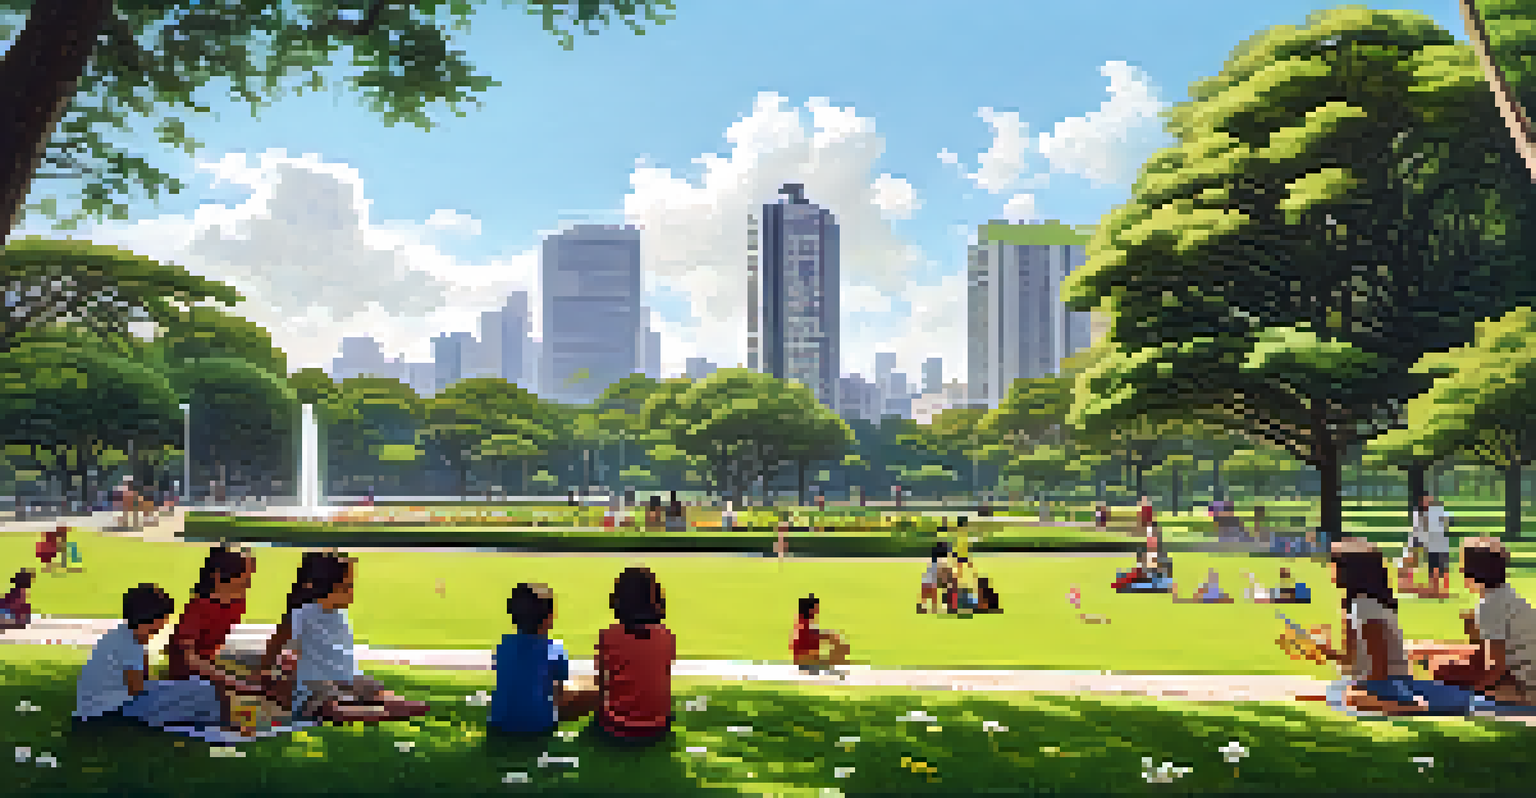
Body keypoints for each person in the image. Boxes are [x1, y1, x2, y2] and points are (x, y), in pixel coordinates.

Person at [1311, 538, 1480, 716]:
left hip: (1391, 684)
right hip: (1386, 682)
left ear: (1349, 570)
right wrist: (1327, 652)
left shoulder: (1365, 606)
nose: (1331, 570)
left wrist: (1360, 692)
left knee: (1345, 695)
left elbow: (1379, 669)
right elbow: (1356, 663)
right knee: (1337, 692)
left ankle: (1408, 705)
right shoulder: (1358, 605)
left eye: (1335, 564)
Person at [259, 552, 427, 724]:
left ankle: (389, 707)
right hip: (316, 683)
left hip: (349, 678)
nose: (352, 593)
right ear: (325, 587)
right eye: (347, 587)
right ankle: (375, 712)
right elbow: (275, 645)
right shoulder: (301, 615)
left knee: (374, 690)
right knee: (328, 705)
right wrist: (266, 673)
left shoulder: (339, 615)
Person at [73, 584, 224, 730]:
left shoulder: (123, 635)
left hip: (105, 708)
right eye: (162, 621)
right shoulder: (130, 644)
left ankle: (208, 716)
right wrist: (167, 687)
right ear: (150, 619)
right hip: (111, 711)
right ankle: (214, 720)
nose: (162, 627)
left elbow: (141, 680)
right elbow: (137, 689)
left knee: (194, 688)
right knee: (198, 691)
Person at [1411, 538, 1536, 705]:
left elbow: (1495, 668)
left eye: (1463, 566)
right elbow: (1485, 656)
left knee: (1442, 672)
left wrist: (1473, 692)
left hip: (1524, 683)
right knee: (1444, 667)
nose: (1460, 570)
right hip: (1523, 674)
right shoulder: (1505, 595)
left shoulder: (1489, 605)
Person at [161, 547, 273, 730]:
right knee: (218, 699)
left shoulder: (237, 602)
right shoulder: (198, 608)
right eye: (244, 576)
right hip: (187, 676)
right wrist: (229, 681)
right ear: (220, 577)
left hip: (210, 665)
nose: (249, 582)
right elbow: (188, 660)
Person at [490, 583, 600, 736]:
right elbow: (559, 695)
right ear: (548, 618)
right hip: (538, 724)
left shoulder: (504, 645)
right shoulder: (555, 649)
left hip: (499, 722)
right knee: (596, 692)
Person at [592, 567, 676, 744]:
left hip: (617, 725)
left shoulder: (607, 636)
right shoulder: (667, 636)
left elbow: (601, 684)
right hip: (659, 726)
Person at [791, 595, 851, 675]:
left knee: (838, 644)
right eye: (815, 609)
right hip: (807, 662)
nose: (817, 611)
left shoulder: (804, 622)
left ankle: (830, 666)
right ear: (811, 610)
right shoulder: (804, 625)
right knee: (840, 647)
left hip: (806, 660)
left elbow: (815, 636)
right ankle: (830, 668)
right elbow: (813, 637)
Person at [1421, 496, 1453, 598]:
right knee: (1433, 570)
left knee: (1441, 569)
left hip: (1440, 545)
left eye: (1427, 500)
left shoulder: (1438, 511)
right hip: (1433, 546)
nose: (1425, 502)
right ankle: (1434, 590)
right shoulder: (1426, 515)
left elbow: (1448, 521)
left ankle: (1443, 590)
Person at [917, 543, 949, 614]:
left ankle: (927, 605)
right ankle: (942, 605)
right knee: (942, 587)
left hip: (934, 570)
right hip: (937, 570)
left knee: (931, 586)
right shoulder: (943, 561)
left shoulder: (935, 561)